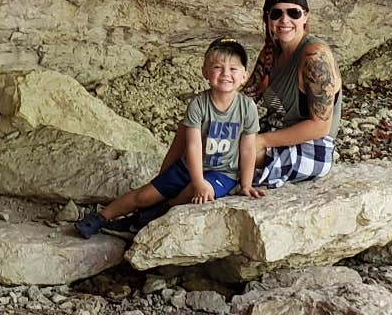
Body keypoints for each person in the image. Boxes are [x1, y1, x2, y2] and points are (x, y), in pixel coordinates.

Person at [74, 39, 260, 238]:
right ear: (205, 72)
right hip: (187, 167)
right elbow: (193, 145)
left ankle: (155, 213)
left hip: (223, 173)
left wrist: (246, 184)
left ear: (244, 76)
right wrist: (196, 179)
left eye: (233, 69)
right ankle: (100, 218)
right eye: (217, 67)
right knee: (144, 195)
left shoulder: (247, 108)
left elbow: (248, 149)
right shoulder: (198, 105)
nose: (225, 74)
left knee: (196, 192)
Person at [240, 0, 340, 194]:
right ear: (267, 18)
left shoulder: (314, 56)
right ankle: (161, 189)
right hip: (274, 131)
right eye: (276, 14)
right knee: (202, 131)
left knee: (228, 153)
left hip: (312, 147)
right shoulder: (271, 52)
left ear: (305, 17)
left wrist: (260, 141)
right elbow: (246, 99)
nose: (284, 20)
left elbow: (320, 127)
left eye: (293, 13)